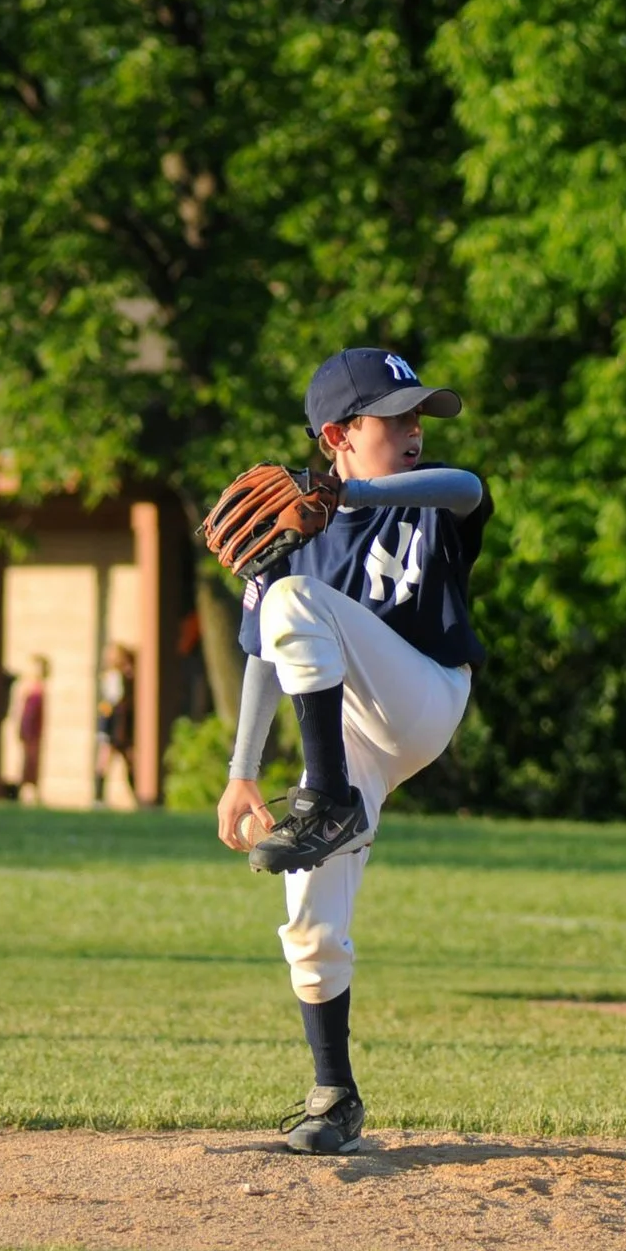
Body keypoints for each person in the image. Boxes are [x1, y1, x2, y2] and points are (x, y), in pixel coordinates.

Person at [215, 348, 490, 1153]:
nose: (414, 431)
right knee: (307, 918)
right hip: (348, 736)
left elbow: (468, 488)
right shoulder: (289, 540)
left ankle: (327, 801)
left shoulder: (428, 499)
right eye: (395, 417)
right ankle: (334, 1094)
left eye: (418, 417)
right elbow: (265, 652)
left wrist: (352, 494)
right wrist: (241, 775)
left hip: (424, 696)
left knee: (298, 598)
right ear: (337, 431)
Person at [94, 642, 135, 806]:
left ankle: (137, 797)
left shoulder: (125, 676)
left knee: (129, 761)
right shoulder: (113, 677)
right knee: (105, 759)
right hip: (114, 724)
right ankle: (98, 798)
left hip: (122, 724)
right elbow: (113, 700)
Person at [15, 654, 49, 803]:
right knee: (29, 762)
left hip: (35, 732)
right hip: (31, 732)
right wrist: (25, 730)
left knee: (33, 762)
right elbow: (28, 713)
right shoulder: (33, 690)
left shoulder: (38, 689)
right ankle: (22, 791)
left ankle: (33, 792)